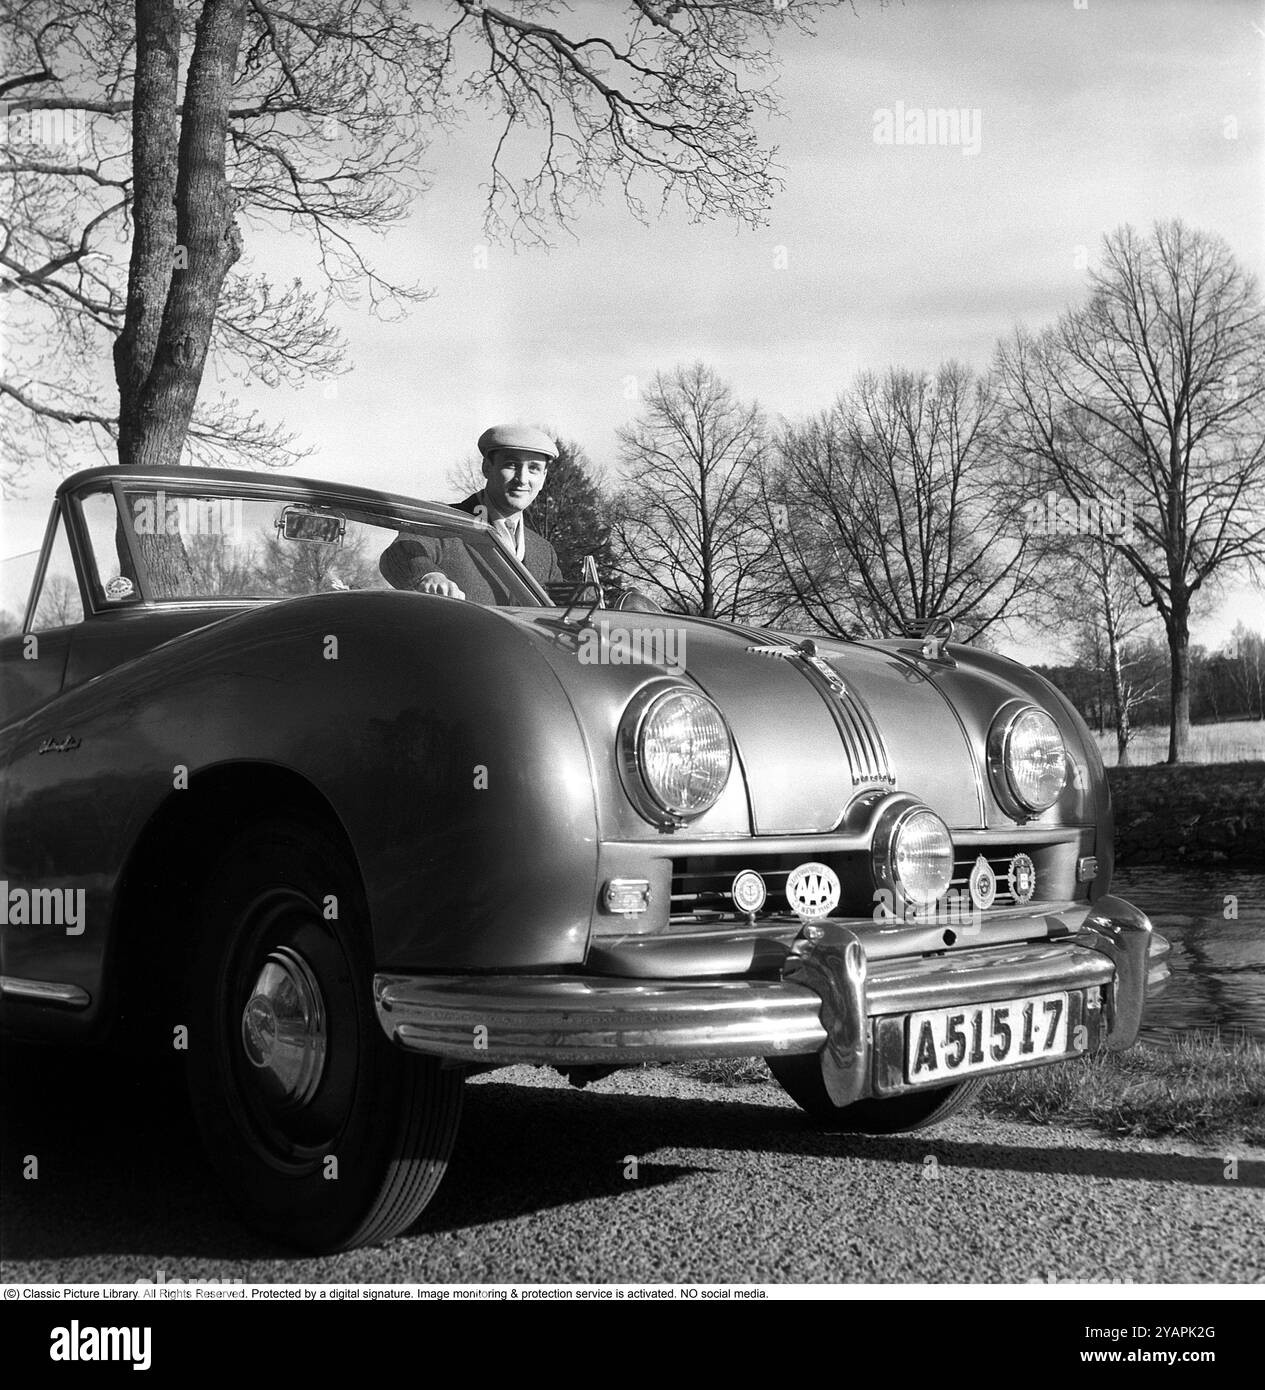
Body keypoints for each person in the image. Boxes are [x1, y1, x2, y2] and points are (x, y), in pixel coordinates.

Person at [380, 424, 565, 600]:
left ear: (543, 478)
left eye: (534, 468)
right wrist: (430, 576)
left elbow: (562, 609)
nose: (522, 479)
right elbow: (399, 554)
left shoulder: (543, 551)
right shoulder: (443, 519)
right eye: (511, 465)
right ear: (487, 468)